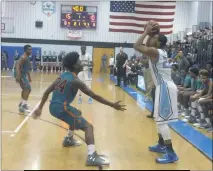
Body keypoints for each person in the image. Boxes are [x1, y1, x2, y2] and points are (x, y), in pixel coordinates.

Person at [32, 51, 126, 166]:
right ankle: (92, 155)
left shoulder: (61, 76)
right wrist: (112, 104)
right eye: (79, 61)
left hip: (54, 106)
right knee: (88, 127)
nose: (81, 62)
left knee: (77, 112)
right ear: (75, 65)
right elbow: (94, 96)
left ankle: (69, 139)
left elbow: (47, 92)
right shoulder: (75, 80)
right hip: (62, 108)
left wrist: (40, 108)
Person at [133, 21, 178, 164]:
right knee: (159, 119)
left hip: (165, 87)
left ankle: (171, 153)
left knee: (161, 121)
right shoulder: (162, 52)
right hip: (164, 85)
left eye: (153, 37)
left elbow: (137, 46)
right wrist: (150, 34)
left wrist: (146, 31)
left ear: (157, 42)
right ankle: (161, 144)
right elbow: (165, 69)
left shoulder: (155, 51)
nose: (150, 39)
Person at [14, 45, 32, 113]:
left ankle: (22, 103)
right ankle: (23, 107)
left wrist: (29, 77)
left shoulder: (27, 57)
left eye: (31, 49)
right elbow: (17, 65)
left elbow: (26, 68)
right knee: (27, 88)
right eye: (29, 50)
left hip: (23, 74)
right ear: (25, 50)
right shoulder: (23, 57)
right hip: (20, 74)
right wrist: (18, 75)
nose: (31, 51)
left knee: (27, 89)